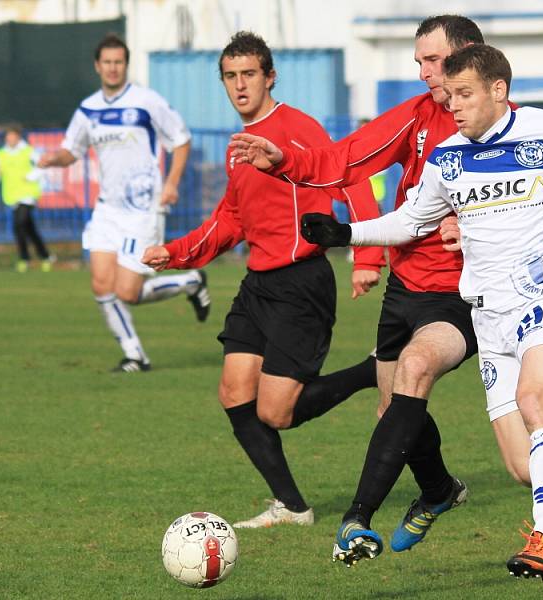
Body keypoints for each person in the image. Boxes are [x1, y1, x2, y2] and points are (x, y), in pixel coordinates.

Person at [230, 15, 543, 567]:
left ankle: (524, 539)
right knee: (510, 460)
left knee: (482, 388)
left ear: (484, 74)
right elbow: (389, 199)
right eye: (427, 70)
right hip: (454, 302)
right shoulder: (442, 147)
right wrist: (334, 218)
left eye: (441, 70)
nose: (434, 84)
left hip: (515, 297)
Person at [141, 32, 384, 529]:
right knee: (234, 392)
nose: (239, 85)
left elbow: (352, 179)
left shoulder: (296, 129)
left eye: (248, 74)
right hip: (259, 285)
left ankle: (372, 370)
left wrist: (368, 257)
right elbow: (230, 219)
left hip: (302, 283)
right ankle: (292, 507)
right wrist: (176, 253)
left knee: (276, 412)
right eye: (230, 76)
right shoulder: (239, 148)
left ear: (269, 76)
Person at [38, 34, 210, 373]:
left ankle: (191, 282)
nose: (113, 68)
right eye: (107, 62)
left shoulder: (146, 101)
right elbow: (71, 150)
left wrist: (171, 183)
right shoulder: (88, 108)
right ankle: (135, 355)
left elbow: (181, 140)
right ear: (97, 66)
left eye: (119, 62)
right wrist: (52, 159)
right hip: (107, 210)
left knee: (128, 292)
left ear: (125, 65)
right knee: (101, 286)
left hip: (142, 211)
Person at [0, 124, 53, 273]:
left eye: (13, 136)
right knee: (29, 228)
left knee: (18, 224)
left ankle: (24, 259)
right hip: (12, 196)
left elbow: (43, 165)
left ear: (18, 137)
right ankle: (45, 256)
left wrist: (30, 176)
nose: (10, 139)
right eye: (8, 136)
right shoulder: (1, 153)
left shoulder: (28, 151)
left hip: (28, 195)